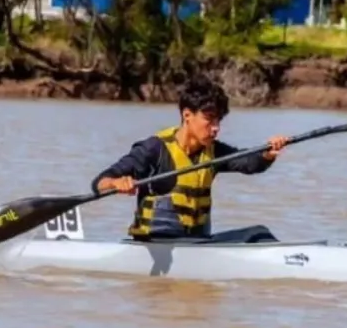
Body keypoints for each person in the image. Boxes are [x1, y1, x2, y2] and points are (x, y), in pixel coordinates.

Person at [91, 78, 289, 243]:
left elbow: (249, 163)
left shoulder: (214, 151)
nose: (216, 127)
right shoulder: (154, 149)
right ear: (187, 115)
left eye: (219, 120)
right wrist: (117, 183)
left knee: (259, 235)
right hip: (157, 244)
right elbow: (100, 182)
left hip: (197, 244)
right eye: (209, 119)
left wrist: (268, 153)